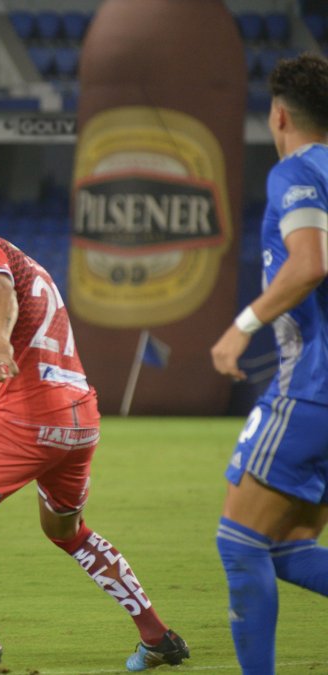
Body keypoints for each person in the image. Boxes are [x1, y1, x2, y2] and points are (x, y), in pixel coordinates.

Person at [0, 188, 188, 675]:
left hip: (30, 422)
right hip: (77, 420)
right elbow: (22, 390)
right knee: (66, 532)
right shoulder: (27, 262)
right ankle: (158, 636)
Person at [210, 53, 328, 675]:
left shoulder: (297, 171)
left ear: (278, 115)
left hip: (311, 386)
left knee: (238, 542)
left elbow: (309, 263)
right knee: (286, 546)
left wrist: (241, 326)